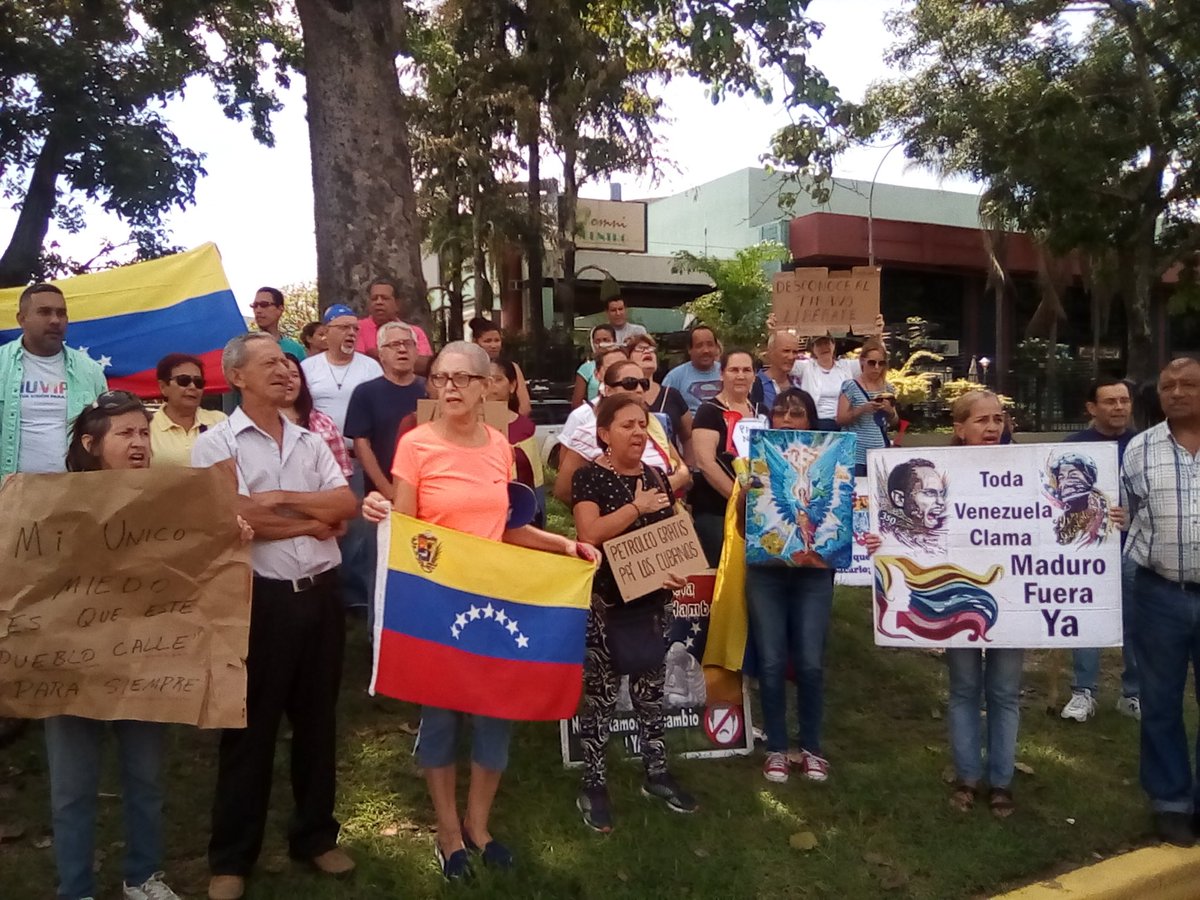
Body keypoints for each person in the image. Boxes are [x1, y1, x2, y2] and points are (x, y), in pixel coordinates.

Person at [361, 341, 598, 880]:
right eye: (440, 378)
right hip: (438, 604)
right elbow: (406, 529)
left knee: (496, 717)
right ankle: (447, 832)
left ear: (487, 384)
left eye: (462, 379)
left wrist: (564, 546)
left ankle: (479, 824)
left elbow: (508, 528)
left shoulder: (499, 447)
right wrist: (379, 511)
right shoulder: (415, 447)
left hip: (492, 604)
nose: (449, 388)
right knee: (440, 719)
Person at [194, 333, 358, 900]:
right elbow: (234, 518)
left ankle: (315, 836)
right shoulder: (214, 445)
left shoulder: (312, 442)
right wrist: (308, 519)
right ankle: (232, 856)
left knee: (317, 721)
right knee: (250, 729)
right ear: (236, 376)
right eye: (270, 363)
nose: (285, 371)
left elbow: (344, 506)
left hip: (321, 596)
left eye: (287, 363)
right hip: (259, 600)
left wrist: (276, 500)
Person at [46, 393, 186, 900]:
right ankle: (76, 889)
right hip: (68, 668)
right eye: (126, 433)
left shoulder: (171, 501)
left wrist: (226, 537)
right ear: (91, 443)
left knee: (145, 776)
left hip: (145, 661)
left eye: (145, 433)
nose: (139, 443)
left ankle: (143, 876)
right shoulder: (50, 504)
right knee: (72, 788)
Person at [571, 394, 697, 832]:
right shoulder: (589, 478)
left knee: (650, 696)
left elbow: (676, 533)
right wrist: (635, 508)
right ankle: (593, 782)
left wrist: (676, 570)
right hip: (606, 609)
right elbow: (589, 534)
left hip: (652, 608)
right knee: (602, 700)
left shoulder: (657, 476)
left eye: (642, 424)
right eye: (627, 425)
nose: (638, 433)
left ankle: (656, 773)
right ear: (605, 434)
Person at [1122, 356, 1200, 847]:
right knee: (1161, 702)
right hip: (1158, 593)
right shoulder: (1138, 449)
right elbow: (1124, 515)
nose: (1176, 392)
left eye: (1189, 384)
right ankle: (1171, 801)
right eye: (1168, 385)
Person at [743, 388, 835, 784]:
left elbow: (845, 515)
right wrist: (743, 499)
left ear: (810, 421)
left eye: (796, 414)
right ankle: (777, 748)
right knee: (771, 661)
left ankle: (812, 747)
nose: (785, 419)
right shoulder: (755, 464)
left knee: (811, 663)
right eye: (779, 412)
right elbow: (740, 531)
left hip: (814, 573)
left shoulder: (835, 462)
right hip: (766, 572)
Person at [1059, 377, 1140, 724]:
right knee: (1088, 618)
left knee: (1137, 622)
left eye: (1124, 401)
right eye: (1110, 401)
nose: (1119, 407)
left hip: (1134, 550)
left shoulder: (1143, 446)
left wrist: (1132, 513)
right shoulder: (1073, 447)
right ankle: (1083, 692)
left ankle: (1133, 694)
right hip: (1087, 552)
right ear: (1092, 408)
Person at [302, 304, 382, 610]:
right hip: (317, 459)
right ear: (325, 333)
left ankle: (355, 597)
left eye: (354, 328)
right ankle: (325, 588)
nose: (351, 333)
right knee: (321, 521)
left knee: (358, 527)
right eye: (344, 327)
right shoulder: (309, 369)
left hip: (357, 455)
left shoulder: (369, 368)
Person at [0, 282, 107, 477]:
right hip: (9, 494)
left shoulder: (90, 371)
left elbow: (105, 434)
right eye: (44, 312)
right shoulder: (2, 364)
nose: (55, 320)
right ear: (21, 319)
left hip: (75, 492)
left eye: (61, 313)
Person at [554, 357, 691, 506]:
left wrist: (665, 487)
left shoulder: (652, 425)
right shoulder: (589, 432)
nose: (639, 389)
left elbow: (682, 470)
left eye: (644, 384)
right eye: (630, 383)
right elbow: (564, 491)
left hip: (666, 519)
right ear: (607, 390)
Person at [690, 349, 767, 567]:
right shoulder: (709, 411)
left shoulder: (763, 411)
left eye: (746, 370)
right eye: (734, 370)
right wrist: (739, 500)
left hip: (757, 511)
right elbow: (705, 462)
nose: (740, 376)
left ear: (754, 375)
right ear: (722, 373)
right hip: (717, 510)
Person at [344, 322, 426, 500]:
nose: (402, 349)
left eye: (408, 344)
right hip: (381, 493)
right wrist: (388, 490)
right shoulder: (365, 392)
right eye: (394, 345)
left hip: (427, 490)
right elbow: (361, 444)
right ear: (381, 354)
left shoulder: (431, 390)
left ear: (416, 350)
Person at [486, 358, 545, 523]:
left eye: (497, 379)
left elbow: (535, 477)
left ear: (512, 386)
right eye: (485, 380)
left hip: (519, 512)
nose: (491, 386)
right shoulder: (467, 426)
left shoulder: (525, 427)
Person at [149, 353, 227, 467]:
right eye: (183, 380)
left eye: (198, 382)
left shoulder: (220, 421)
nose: (192, 387)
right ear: (163, 387)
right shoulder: (148, 427)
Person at [282, 354, 352, 478]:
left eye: (294, 375)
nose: (289, 381)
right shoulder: (256, 423)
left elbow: (342, 474)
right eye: (282, 375)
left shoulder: (323, 423)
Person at [835, 338, 897, 477]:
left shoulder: (888, 388)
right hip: (855, 453)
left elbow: (894, 422)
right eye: (872, 363)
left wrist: (890, 411)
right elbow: (840, 419)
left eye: (881, 363)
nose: (876, 367)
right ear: (862, 361)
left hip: (879, 451)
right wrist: (862, 409)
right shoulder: (850, 386)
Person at [627, 332, 692, 454]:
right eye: (640, 349)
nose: (647, 352)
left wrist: (688, 467)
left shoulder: (672, 394)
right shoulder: (622, 395)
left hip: (672, 467)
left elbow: (688, 437)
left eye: (650, 349)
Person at [355, 277, 434, 372]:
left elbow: (424, 366)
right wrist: (403, 358)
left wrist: (376, 353)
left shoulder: (414, 332)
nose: (378, 302)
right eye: (374, 298)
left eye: (385, 298)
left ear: (397, 304)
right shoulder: (356, 328)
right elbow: (357, 364)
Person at [795, 335, 862, 431]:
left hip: (845, 421)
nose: (824, 347)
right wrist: (774, 330)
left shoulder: (846, 366)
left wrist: (877, 334)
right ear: (813, 349)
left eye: (826, 343)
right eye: (819, 344)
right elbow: (782, 360)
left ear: (833, 345)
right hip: (817, 422)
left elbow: (872, 358)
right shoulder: (806, 367)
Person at [469, 316, 531, 416]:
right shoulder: (467, 367)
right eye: (487, 341)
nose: (493, 345)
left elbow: (525, 406)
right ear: (475, 342)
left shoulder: (512, 367)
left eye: (497, 340)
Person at [662, 325, 722, 414]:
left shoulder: (728, 372)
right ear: (689, 349)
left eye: (710, 345)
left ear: (716, 348)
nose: (706, 350)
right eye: (699, 346)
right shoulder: (674, 377)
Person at [250, 286, 307, 360]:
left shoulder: (295, 349)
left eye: (264, 305)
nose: (258, 310)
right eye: (255, 306)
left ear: (280, 309)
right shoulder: (245, 346)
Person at [750, 331, 802, 409]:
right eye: (786, 351)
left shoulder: (799, 384)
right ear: (771, 352)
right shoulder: (753, 384)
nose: (791, 357)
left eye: (795, 352)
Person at [571, 324, 618, 408]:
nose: (601, 344)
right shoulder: (586, 368)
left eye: (606, 340)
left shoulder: (623, 365)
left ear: (614, 341)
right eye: (597, 341)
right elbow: (576, 404)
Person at [601, 281, 647, 346]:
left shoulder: (638, 331)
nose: (618, 313)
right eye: (613, 310)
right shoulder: (600, 332)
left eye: (620, 309)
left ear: (626, 310)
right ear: (607, 312)